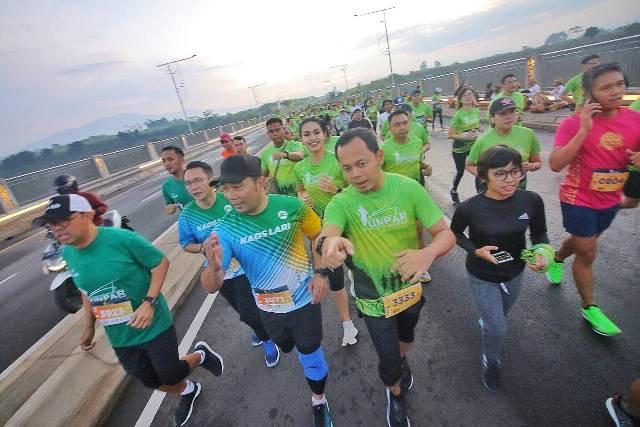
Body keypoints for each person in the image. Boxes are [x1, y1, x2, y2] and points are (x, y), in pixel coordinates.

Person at [33, 194, 223, 426]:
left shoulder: (121, 239)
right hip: (120, 335)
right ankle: (189, 390)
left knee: (171, 373)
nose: (57, 229)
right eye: (51, 224)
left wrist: (148, 302)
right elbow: (86, 290)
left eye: (63, 221)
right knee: (148, 379)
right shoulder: (69, 254)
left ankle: (201, 354)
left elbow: (159, 263)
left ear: (88, 216)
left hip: (153, 323)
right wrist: (89, 327)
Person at [317, 128, 455, 427]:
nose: (355, 173)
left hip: (410, 291)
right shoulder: (341, 203)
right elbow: (327, 234)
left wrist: (427, 254)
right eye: (347, 168)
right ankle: (394, 392)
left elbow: (445, 234)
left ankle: (401, 361)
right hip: (372, 299)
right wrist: (330, 246)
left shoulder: (408, 189)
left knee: (406, 337)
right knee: (387, 356)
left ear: (379, 156)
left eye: (362, 163)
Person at [200, 155, 334, 426]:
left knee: (310, 352)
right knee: (287, 345)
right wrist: (213, 268)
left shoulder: (293, 207)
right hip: (268, 308)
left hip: (304, 301)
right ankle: (293, 346)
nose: (230, 195)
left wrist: (320, 274)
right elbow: (211, 286)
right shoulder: (224, 229)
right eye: (225, 189)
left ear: (261, 182)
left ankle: (318, 400)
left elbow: (318, 236)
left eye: (237, 187)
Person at [548, 63, 640, 336]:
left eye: (620, 84)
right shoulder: (573, 123)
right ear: (590, 93)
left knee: (581, 243)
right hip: (578, 198)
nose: (615, 91)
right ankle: (590, 307)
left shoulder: (634, 120)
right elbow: (555, 164)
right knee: (587, 251)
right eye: (606, 87)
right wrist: (584, 130)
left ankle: (557, 257)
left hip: (610, 199)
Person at [451, 146, 550, 390]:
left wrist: (541, 254)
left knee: (499, 318)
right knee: (498, 327)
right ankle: (491, 359)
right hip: (482, 275)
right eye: (501, 174)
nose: (510, 180)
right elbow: (454, 233)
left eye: (515, 172)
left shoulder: (532, 201)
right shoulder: (469, 208)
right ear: (484, 177)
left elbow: (540, 236)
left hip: (515, 273)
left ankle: (489, 323)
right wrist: (476, 250)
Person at [178, 161, 280, 366]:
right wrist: (203, 248)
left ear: (210, 180)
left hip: (247, 266)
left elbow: (253, 219)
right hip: (223, 273)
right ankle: (258, 328)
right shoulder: (187, 216)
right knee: (243, 311)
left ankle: (268, 339)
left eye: (198, 180)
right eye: (188, 183)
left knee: (252, 309)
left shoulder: (229, 200)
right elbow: (186, 244)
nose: (194, 187)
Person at [294, 118, 359, 347]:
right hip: (321, 230)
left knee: (358, 267)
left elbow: (358, 191)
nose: (312, 138)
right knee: (334, 278)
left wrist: (336, 189)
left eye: (316, 133)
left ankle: (358, 282)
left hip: (347, 226)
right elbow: (300, 190)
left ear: (325, 135)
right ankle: (347, 324)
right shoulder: (299, 167)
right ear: (300, 139)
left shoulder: (338, 161)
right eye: (307, 134)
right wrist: (302, 197)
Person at [467, 98, 542, 192]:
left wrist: (532, 166)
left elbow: (537, 162)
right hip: (490, 189)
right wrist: (488, 177)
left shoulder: (528, 134)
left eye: (512, 112)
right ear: (492, 118)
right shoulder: (483, 140)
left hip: (517, 186)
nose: (509, 117)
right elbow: (470, 165)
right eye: (503, 114)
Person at [448, 88, 482, 204]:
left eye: (470, 94)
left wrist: (482, 131)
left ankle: (480, 194)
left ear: (474, 97)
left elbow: (477, 126)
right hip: (460, 148)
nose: (468, 97)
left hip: (474, 146)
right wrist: (464, 136)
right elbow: (450, 135)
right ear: (460, 99)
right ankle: (454, 190)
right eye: (465, 95)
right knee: (460, 171)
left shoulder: (476, 111)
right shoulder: (458, 115)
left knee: (479, 169)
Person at [382, 110, 430, 184]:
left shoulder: (418, 143)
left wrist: (427, 167)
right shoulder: (383, 149)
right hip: (395, 191)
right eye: (397, 124)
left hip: (415, 187)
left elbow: (417, 161)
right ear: (390, 128)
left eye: (405, 123)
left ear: (409, 124)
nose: (402, 127)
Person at [261, 118, 305, 196]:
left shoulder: (294, 145)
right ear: (268, 134)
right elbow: (263, 174)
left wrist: (286, 155)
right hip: (281, 196)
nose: (275, 134)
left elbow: (300, 156)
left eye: (277, 130)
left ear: (284, 130)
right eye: (271, 131)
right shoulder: (266, 153)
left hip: (300, 193)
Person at [161, 146, 194, 214]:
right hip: (193, 223)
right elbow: (169, 205)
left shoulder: (197, 175)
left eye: (170, 159)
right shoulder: (166, 186)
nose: (166, 164)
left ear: (181, 159)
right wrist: (169, 209)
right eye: (164, 161)